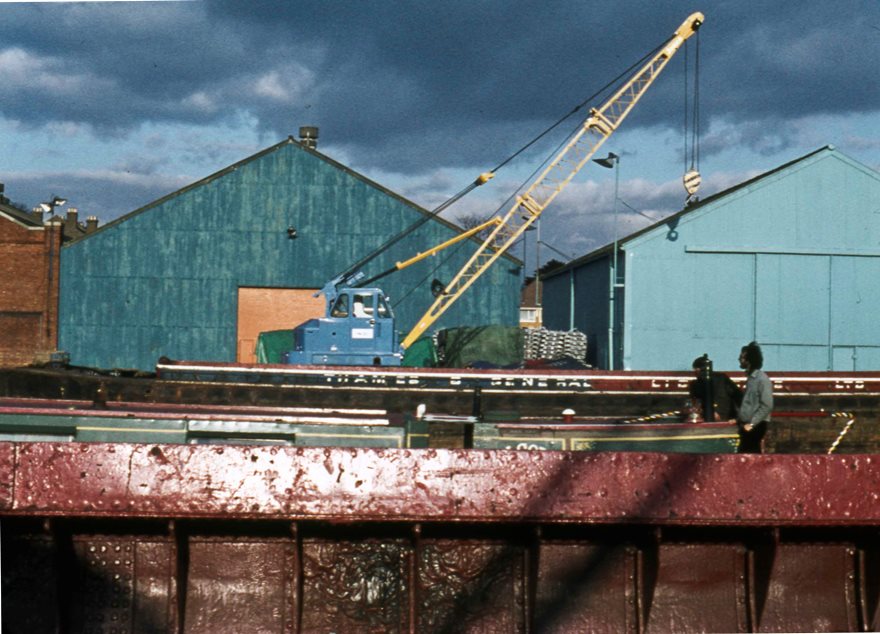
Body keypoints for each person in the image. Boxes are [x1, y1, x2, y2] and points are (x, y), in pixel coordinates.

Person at [732, 341, 773, 453]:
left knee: (749, 453)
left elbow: (767, 405)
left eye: (742, 357)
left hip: (755, 426)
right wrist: (738, 419)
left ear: (748, 360)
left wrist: (752, 424)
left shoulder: (762, 379)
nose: (739, 359)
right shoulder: (751, 379)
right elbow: (750, 404)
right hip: (748, 424)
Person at [688, 355, 742, 421]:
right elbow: (738, 395)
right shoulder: (722, 378)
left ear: (697, 369)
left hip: (706, 419)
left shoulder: (695, 385)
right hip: (727, 418)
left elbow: (695, 404)